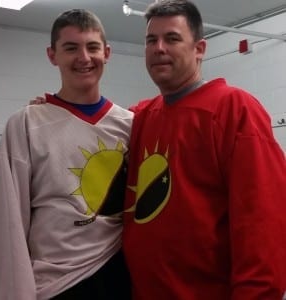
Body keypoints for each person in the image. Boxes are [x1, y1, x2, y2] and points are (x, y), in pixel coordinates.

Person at [122, 0, 286, 299]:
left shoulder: (234, 110)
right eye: (151, 40)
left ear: (199, 49)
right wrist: (51, 109)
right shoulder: (140, 116)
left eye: (172, 38)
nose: (159, 48)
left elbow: (262, 227)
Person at [0, 9, 132, 300]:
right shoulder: (27, 123)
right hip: (55, 284)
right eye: (71, 48)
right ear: (52, 55)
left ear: (107, 52)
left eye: (92, 47)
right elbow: (7, 219)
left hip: (118, 271)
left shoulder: (131, 124)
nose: (84, 57)